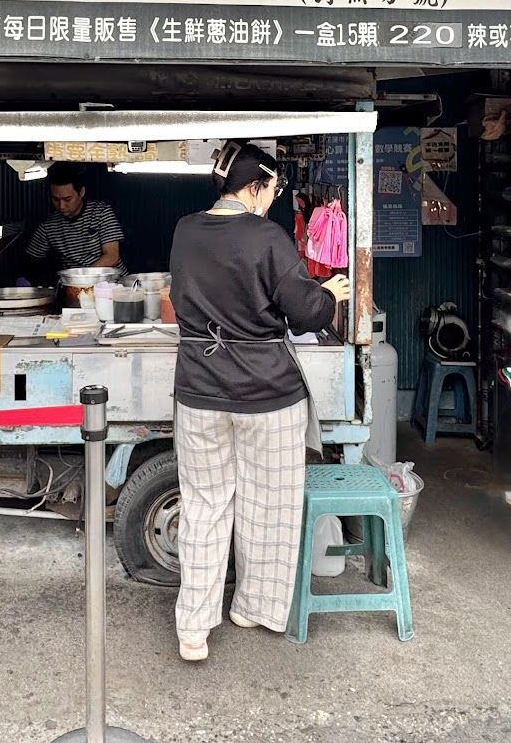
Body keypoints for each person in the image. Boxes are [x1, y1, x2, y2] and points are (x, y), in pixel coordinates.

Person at [167, 141, 350, 662]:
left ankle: (194, 629)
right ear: (255, 186)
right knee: (266, 508)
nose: (272, 200)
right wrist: (328, 294)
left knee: (203, 508)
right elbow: (304, 312)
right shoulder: (267, 236)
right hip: (268, 396)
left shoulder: (185, 230)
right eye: (271, 190)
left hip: (199, 392)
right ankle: (254, 608)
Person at [22, 162, 126, 279]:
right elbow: (31, 260)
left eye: (67, 199)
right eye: (56, 199)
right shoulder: (49, 226)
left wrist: (81, 279)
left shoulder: (101, 213)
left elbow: (111, 257)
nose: (61, 206)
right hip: (74, 288)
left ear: (81, 192)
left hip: (112, 284)